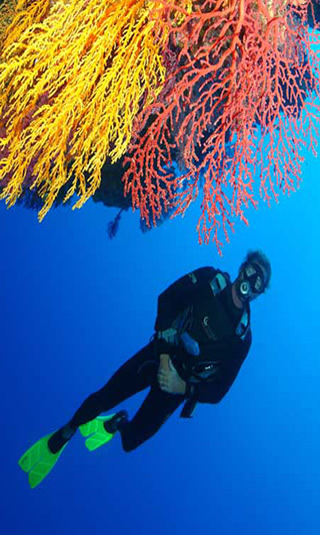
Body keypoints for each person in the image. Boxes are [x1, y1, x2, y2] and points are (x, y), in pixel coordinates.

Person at [18, 249, 271, 488]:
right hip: (159, 356)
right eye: (252, 270)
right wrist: (163, 358)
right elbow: (168, 300)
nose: (253, 280)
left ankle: (116, 424)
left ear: (260, 293)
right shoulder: (210, 280)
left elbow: (219, 391)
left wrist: (180, 385)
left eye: (260, 282)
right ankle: (65, 433)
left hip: (176, 387)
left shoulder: (241, 339)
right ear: (242, 267)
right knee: (105, 396)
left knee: (131, 442)